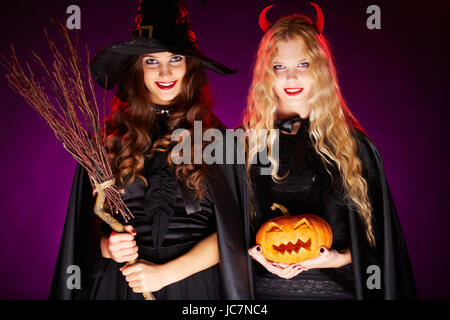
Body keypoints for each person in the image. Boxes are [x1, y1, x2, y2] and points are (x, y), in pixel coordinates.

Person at [50, 0, 252, 300]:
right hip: (121, 286)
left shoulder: (221, 142)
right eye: (151, 61)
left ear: (190, 67)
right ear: (137, 69)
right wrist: (108, 245)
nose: (165, 72)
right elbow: (82, 231)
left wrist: (165, 274)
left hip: (194, 288)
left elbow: (234, 234)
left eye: (176, 59)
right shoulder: (105, 144)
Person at [243, 4, 416, 299]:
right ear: (266, 74)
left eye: (303, 65)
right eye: (279, 67)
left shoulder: (352, 146)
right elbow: (231, 229)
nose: (291, 77)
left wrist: (337, 257)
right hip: (266, 294)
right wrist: (256, 254)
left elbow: (378, 241)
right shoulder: (248, 145)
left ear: (320, 68)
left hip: (337, 291)